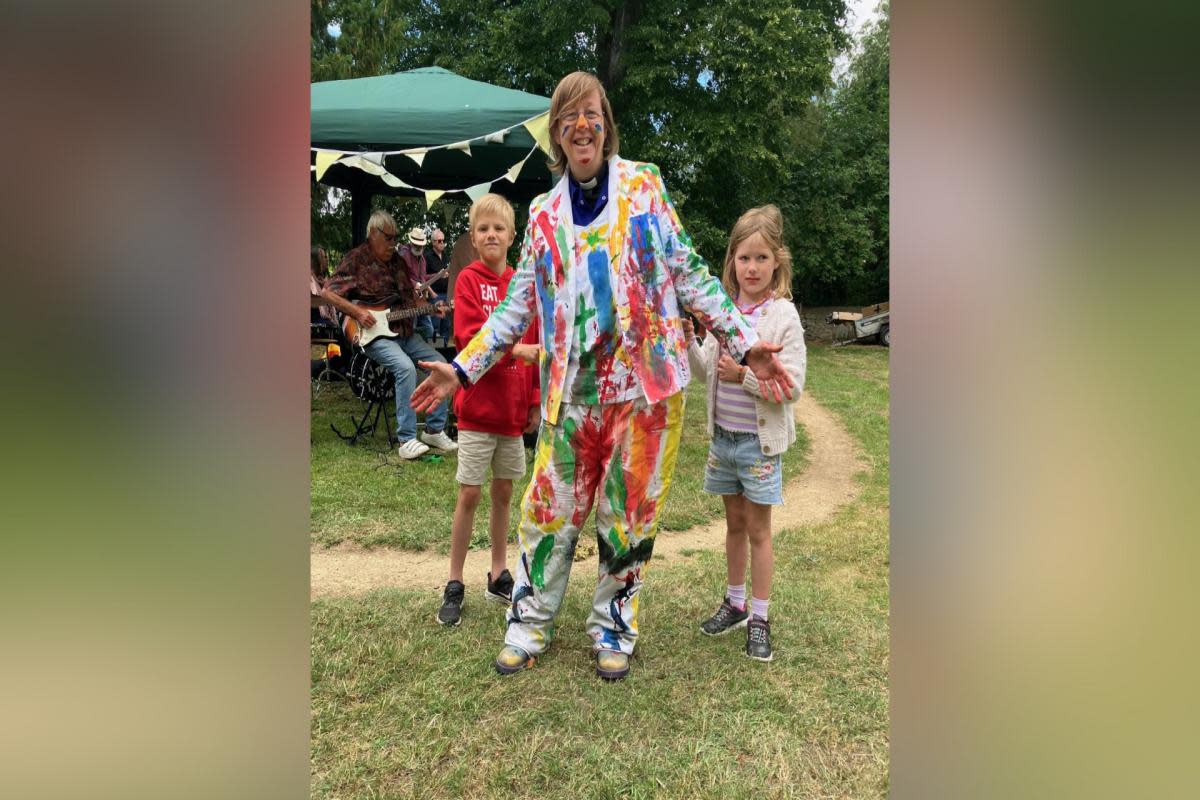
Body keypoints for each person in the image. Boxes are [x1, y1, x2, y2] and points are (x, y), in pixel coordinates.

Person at [412, 71, 795, 681]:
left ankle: (614, 625)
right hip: (572, 397)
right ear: (558, 137)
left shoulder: (644, 187)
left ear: (606, 123)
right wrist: (463, 368)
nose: (581, 126)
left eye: (590, 113)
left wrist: (746, 346)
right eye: (568, 118)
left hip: (646, 395)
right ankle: (529, 624)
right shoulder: (541, 215)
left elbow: (693, 276)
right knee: (548, 511)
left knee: (627, 519)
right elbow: (516, 309)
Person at [684, 205, 807, 663]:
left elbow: (791, 387)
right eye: (743, 258)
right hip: (723, 441)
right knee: (733, 526)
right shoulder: (725, 312)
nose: (751, 268)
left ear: (777, 262)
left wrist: (746, 378)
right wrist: (691, 338)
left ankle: (760, 617)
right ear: (730, 262)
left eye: (760, 258)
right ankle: (735, 604)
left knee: (758, 530)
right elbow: (705, 374)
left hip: (758, 445)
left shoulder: (782, 318)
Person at [437, 194, 541, 626]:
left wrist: (533, 403)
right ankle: (454, 581)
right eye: (483, 229)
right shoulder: (466, 281)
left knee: (504, 493)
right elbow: (470, 339)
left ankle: (498, 573)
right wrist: (519, 350)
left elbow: (534, 341)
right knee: (471, 493)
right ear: (474, 239)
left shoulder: (522, 283)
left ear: (513, 236)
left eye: (499, 228)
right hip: (478, 411)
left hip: (512, 414)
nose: (491, 234)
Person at [322, 211, 458, 460]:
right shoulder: (356, 259)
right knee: (405, 368)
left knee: (441, 363)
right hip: (372, 334)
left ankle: (434, 430)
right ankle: (406, 440)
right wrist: (358, 313)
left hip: (403, 330)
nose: (393, 244)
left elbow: (411, 299)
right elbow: (327, 293)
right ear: (373, 233)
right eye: (389, 238)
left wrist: (433, 306)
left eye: (395, 238)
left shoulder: (397, 262)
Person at [397, 227, 437, 341]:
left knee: (429, 329)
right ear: (411, 242)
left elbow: (423, 278)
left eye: (421, 245)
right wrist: (415, 284)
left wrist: (437, 275)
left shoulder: (422, 259)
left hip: (419, 298)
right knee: (411, 329)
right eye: (416, 244)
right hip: (406, 298)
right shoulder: (403, 254)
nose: (419, 247)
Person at [425, 228, 453, 346]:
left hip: (446, 294)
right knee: (435, 324)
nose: (442, 243)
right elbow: (422, 277)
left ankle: (445, 350)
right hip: (435, 295)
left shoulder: (446, 256)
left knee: (446, 324)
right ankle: (434, 350)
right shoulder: (427, 256)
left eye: (443, 240)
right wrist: (437, 275)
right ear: (433, 242)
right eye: (439, 241)